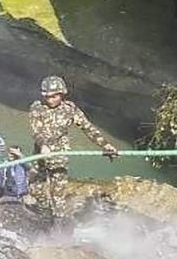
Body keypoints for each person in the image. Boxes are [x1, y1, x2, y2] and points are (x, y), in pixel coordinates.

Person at [29, 75, 117, 223]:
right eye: (47, 97)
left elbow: (88, 128)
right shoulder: (37, 108)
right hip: (40, 156)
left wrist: (106, 145)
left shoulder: (70, 109)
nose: (50, 100)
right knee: (34, 189)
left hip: (59, 158)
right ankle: (44, 212)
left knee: (57, 195)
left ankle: (59, 224)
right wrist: (43, 145)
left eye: (54, 96)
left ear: (62, 94)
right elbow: (36, 131)